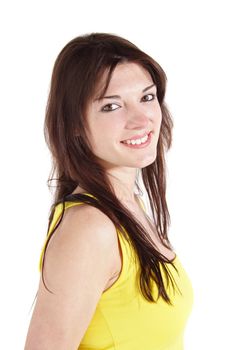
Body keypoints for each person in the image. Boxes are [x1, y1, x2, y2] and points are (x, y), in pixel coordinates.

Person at [24, 32, 194, 350]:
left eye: (147, 97)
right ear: (75, 124)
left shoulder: (128, 208)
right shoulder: (90, 228)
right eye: (112, 106)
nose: (141, 119)